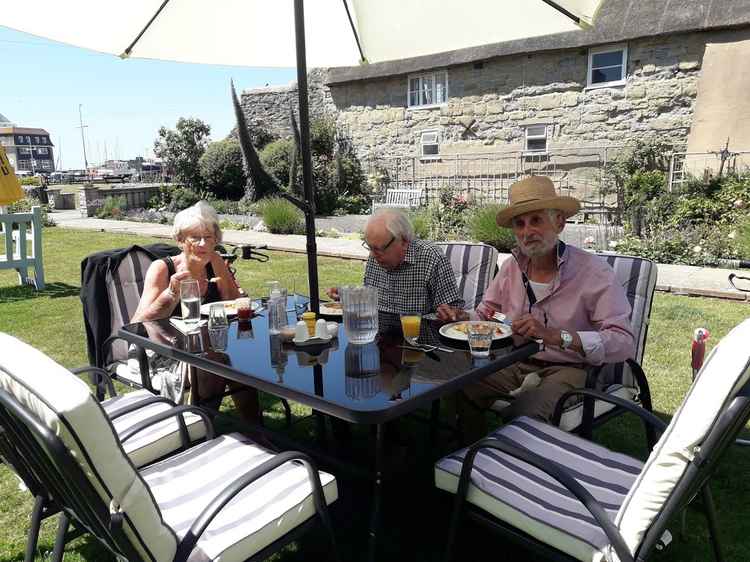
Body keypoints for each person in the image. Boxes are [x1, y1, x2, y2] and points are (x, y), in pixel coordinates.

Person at [437, 176, 635, 440]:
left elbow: (623, 342)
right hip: (514, 361)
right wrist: (465, 316)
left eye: (536, 220)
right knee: (458, 385)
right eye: (520, 224)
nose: (527, 231)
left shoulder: (594, 273)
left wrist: (559, 336)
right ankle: (472, 457)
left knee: (526, 412)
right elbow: (489, 315)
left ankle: (516, 469)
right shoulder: (512, 268)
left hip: (569, 370)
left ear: (559, 222)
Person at [132, 201, 260, 423]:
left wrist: (232, 292)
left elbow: (235, 303)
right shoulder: (163, 269)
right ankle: (201, 430)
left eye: (209, 237)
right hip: (167, 351)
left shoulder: (216, 261)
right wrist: (171, 293)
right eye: (195, 237)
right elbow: (137, 325)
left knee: (241, 363)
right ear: (180, 240)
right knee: (215, 365)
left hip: (211, 346)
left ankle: (256, 431)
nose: (203, 244)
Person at [327, 208, 464, 318]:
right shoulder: (376, 255)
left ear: (404, 241)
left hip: (417, 342)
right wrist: (347, 296)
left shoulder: (431, 257)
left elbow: (454, 311)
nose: (373, 256)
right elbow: (371, 300)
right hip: (378, 338)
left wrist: (450, 313)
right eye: (370, 247)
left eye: (379, 249)